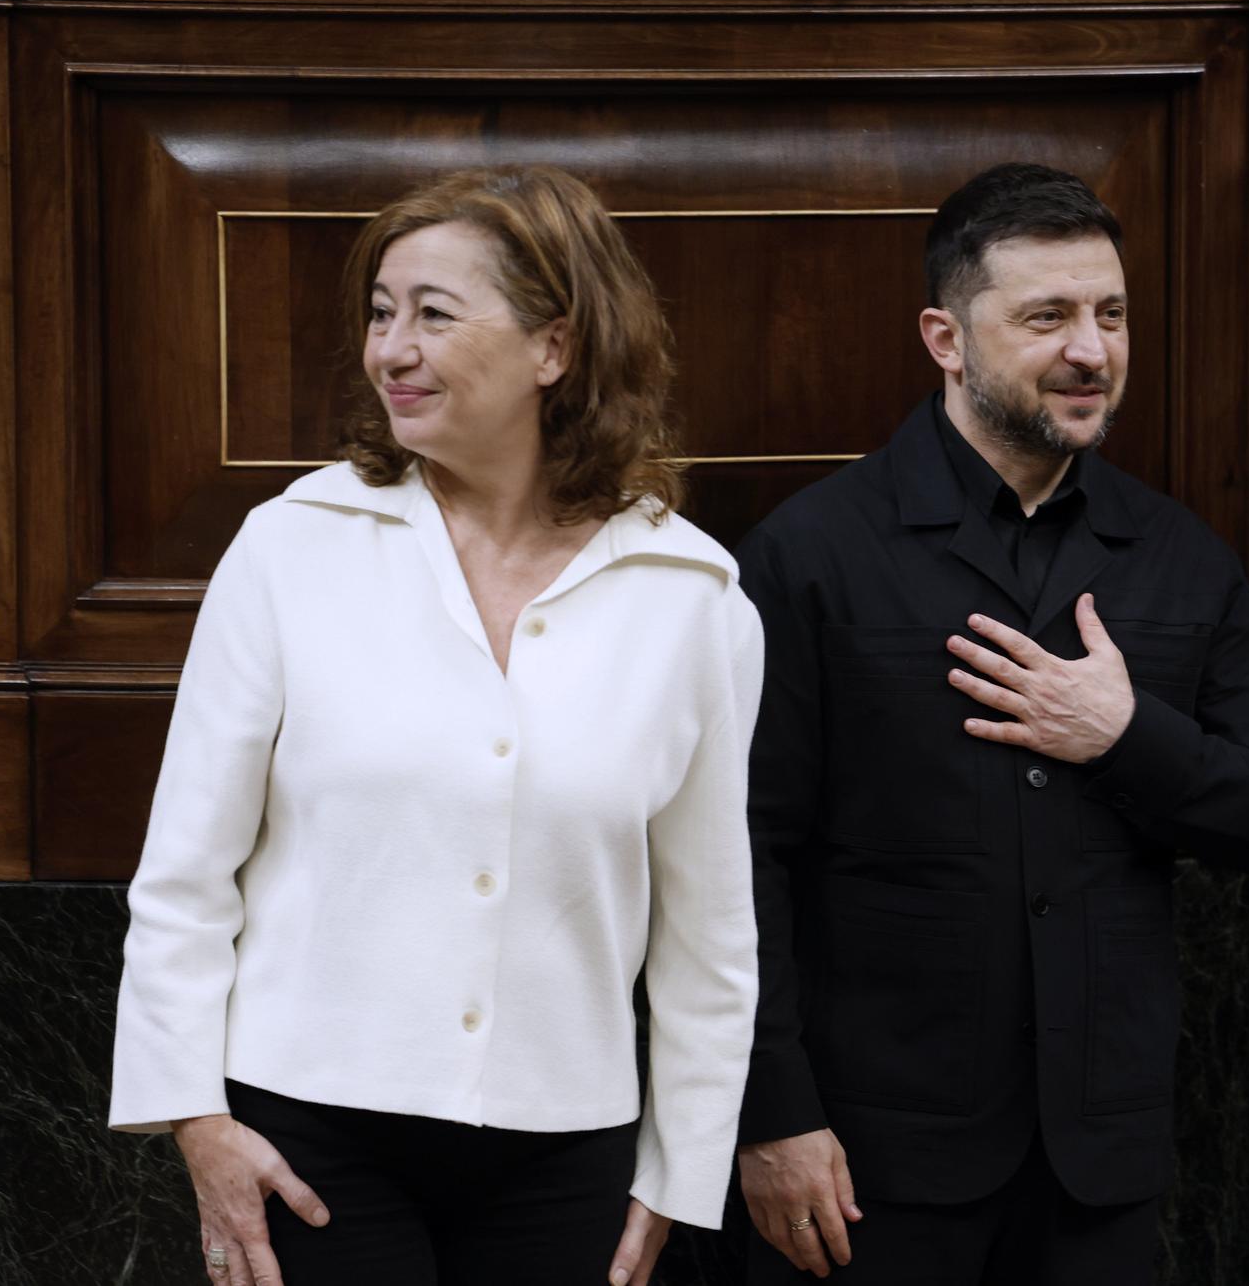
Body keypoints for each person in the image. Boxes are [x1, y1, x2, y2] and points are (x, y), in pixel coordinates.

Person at [109, 166, 763, 1286]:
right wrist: (195, 1123)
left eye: (432, 313)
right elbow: (183, 874)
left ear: (553, 347)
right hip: (310, 1141)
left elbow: (708, 935)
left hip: (568, 1155)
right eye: (380, 310)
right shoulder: (292, 545)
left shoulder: (690, 595)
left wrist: (679, 1171)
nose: (389, 349)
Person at [732, 163, 1249, 1284]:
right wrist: (771, 1117)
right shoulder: (810, 556)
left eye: (1108, 313)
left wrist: (1123, 732)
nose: (1091, 350)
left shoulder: (1180, 557)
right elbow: (741, 860)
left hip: (1099, 1162)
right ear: (944, 338)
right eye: (1044, 317)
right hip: (866, 1162)